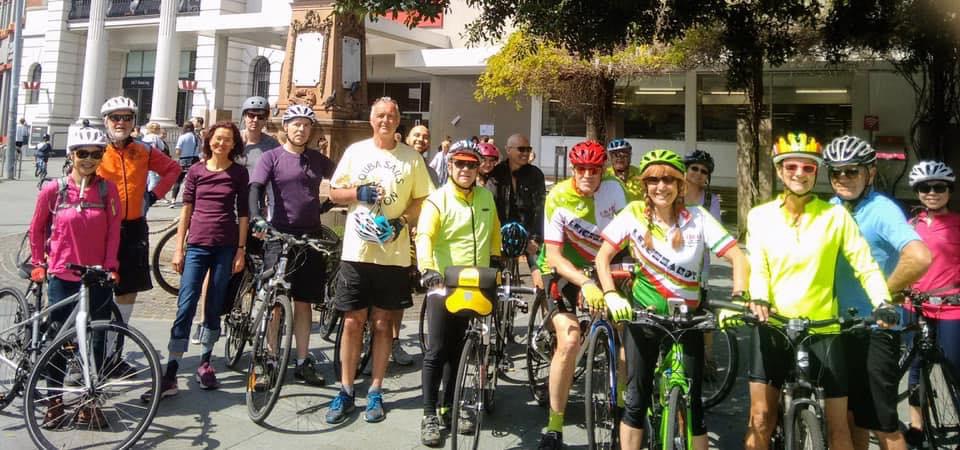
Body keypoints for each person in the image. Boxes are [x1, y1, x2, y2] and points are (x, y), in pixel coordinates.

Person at [745, 132, 896, 450]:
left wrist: (883, 301)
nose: (799, 173)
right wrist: (758, 297)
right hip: (773, 326)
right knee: (760, 419)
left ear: (816, 173)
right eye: (791, 167)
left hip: (824, 329)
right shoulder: (760, 216)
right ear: (779, 170)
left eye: (808, 168)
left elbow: (864, 264)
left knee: (838, 426)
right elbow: (758, 266)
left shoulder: (835, 216)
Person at [595, 149, 748, 450]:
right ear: (645, 185)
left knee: (693, 406)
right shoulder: (634, 213)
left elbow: (737, 258)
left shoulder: (698, 218)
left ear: (680, 184)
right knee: (636, 402)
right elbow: (603, 257)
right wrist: (611, 293)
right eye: (653, 179)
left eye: (668, 179)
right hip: (644, 317)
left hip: (688, 320)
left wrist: (739, 298)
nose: (660, 186)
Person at [326, 97, 433, 424]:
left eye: (391, 116)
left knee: (383, 323)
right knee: (353, 322)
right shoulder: (356, 151)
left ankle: (375, 390)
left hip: (393, 254)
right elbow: (333, 192)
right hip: (357, 252)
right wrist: (358, 193)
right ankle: (345, 390)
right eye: (380, 116)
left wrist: (401, 222)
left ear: (398, 120)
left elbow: (422, 200)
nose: (386, 121)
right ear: (372, 119)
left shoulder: (411, 158)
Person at [823, 136, 931, 450]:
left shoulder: (882, 210)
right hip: (839, 325)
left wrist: (884, 295)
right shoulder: (831, 208)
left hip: (876, 328)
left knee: (883, 423)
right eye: (836, 172)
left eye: (852, 171)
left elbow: (919, 257)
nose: (843, 178)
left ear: (869, 172)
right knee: (853, 417)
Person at [535, 140, 628, 449]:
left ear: (603, 170)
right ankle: (554, 425)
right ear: (573, 169)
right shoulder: (558, 196)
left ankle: (627, 407)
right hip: (564, 266)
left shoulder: (615, 189)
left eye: (594, 169)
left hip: (603, 263)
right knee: (570, 339)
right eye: (581, 169)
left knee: (623, 328)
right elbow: (554, 256)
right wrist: (585, 283)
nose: (588, 175)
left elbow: (629, 236)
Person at [29, 127, 121, 428]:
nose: (89, 160)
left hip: (96, 277)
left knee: (95, 341)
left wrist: (110, 266)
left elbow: (113, 231)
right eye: (83, 153)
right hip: (62, 274)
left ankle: (89, 402)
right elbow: (38, 227)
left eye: (96, 154)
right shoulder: (54, 189)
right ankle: (54, 400)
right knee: (59, 339)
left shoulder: (107, 190)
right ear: (72, 155)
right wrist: (39, 262)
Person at [151, 122, 249, 398]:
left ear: (234, 144)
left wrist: (241, 249)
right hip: (197, 245)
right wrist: (179, 249)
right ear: (209, 141)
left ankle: (206, 362)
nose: (221, 144)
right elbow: (186, 211)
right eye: (217, 139)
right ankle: (172, 369)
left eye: (227, 140)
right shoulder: (196, 170)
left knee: (215, 304)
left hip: (225, 246)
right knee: (186, 304)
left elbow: (243, 214)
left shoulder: (239, 173)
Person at [416, 140, 501, 446]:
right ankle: (429, 414)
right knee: (437, 350)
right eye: (460, 164)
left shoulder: (486, 198)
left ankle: (449, 407)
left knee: (459, 350)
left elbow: (494, 233)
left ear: (479, 168)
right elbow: (424, 235)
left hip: (476, 284)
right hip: (443, 284)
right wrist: (427, 268)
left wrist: (498, 258)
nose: (465, 169)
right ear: (449, 166)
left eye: (471, 164)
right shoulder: (437, 200)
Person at [249, 104, 336, 387]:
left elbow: (342, 180)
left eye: (307, 125)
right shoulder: (271, 157)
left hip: (310, 236)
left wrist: (327, 203)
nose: (301, 129)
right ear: (286, 127)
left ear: (312, 130)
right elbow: (256, 190)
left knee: (304, 303)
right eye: (296, 124)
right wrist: (257, 218)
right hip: (279, 234)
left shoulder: (317, 159)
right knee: (275, 301)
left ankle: (302, 361)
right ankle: (270, 358)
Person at [96, 97, 179, 341]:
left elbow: (173, 169)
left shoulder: (143, 150)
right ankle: (91, 352)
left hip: (133, 227)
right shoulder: (96, 150)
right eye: (115, 117)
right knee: (97, 290)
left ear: (134, 121)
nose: (121, 123)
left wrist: (153, 196)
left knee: (128, 289)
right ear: (106, 121)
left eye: (127, 118)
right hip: (99, 230)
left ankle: (113, 351)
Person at [903, 160, 960, 446]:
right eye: (925, 188)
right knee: (914, 366)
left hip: (951, 307)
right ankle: (916, 426)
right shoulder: (910, 225)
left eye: (939, 187)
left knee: (953, 365)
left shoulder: (958, 224)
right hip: (916, 307)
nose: (932, 192)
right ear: (918, 192)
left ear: (949, 191)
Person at [487, 134, 546, 289]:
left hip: (527, 230)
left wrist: (536, 238)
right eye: (521, 149)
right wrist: (494, 237)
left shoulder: (536, 174)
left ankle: (547, 308)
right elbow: (490, 205)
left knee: (539, 270)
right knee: (494, 274)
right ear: (508, 150)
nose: (525, 153)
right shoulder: (496, 173)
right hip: (501, 231)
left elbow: (540, 208)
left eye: (528, 149)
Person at [238, 96, 280, 173]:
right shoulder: (232, 140)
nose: (255, 120)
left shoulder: (273, 145)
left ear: (265, 120)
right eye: (251, 115)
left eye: (260, 117)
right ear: (244, 117)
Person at [171, 122, 202, 206]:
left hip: (183, 160)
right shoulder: (197, 137)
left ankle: (173, 199)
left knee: (178, 180)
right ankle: (192, 199)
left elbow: (178, 151)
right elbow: (200, 150)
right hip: (195, 159)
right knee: (193, 181)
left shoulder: (182, 137)